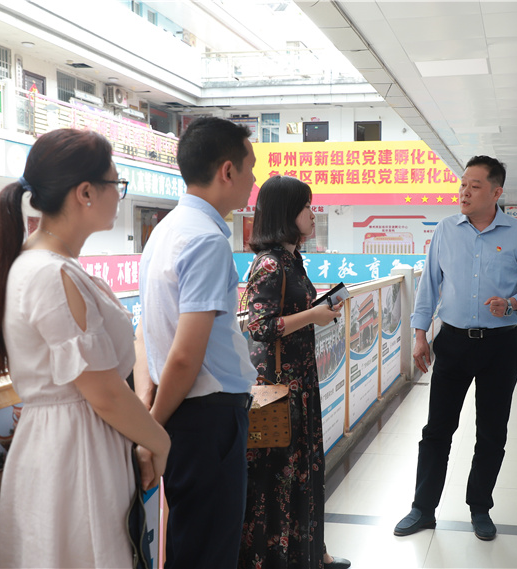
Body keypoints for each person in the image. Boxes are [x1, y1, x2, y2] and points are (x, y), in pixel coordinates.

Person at [0, 128, 170, 568]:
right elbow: (104, 392)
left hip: (76, 446)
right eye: (116, 184)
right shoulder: (49, 274)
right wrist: (159, 440)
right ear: (86, 193)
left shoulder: (49, 267)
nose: (119, 195)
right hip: (75, 456)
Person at [394, 155, 517, 541]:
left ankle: (480, 508)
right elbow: (429, 286)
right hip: (452, 343)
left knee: (492, 431)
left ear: (496, 193)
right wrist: (419, 334)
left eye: (474, 186)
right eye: (462, 184)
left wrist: (512, 303)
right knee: (437, 429)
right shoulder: (446, 230)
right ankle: (422, 508)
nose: (464, 192)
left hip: (501, 346)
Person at [135, 117, 258, 569]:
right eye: (250, 168)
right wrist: (151, 429)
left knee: (189, 542)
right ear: (227, 171)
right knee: (208, 552)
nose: (254, 180)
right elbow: (186, 355)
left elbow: (146, 331)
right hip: (209, 421)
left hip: (183, 415)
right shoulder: (206, 241)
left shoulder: (165, 231)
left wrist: (150, 414)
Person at [239, 175, 350, 569]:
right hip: (280, 387)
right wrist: (313, 315)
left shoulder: (291, 259)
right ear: (287, 212)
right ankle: (280, 558)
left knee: (303, 469)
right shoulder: (270, 263)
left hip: (300, 381)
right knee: (280, 476)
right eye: (306, 206)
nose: (313, 213)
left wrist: (317, 313)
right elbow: (260, 326)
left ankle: (310, 554)